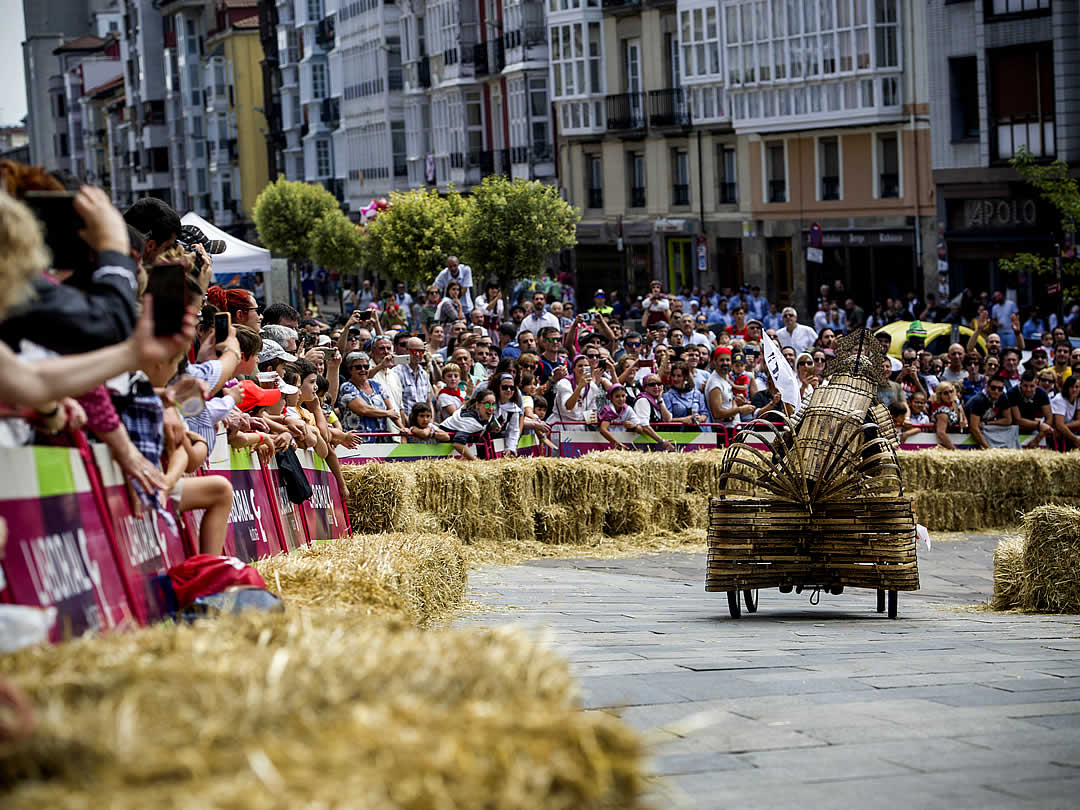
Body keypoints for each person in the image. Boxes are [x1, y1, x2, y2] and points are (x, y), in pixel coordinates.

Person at [337, 351, 402, 441]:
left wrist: (402, 428)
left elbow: (391, 410)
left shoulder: (376, 384)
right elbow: (363, 409)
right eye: (358, 367)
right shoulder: (346, 387)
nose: (363, 370)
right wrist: (387, 413)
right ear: (350, 370)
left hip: (381, 440)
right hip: (357, 440)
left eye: (366, 367)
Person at [598, 384, 673, 451]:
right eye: (617, 396)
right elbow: (603, 430)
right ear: (611, 398)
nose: (621, 399)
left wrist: (634, 426)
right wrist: (617, 444)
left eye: (623, 396)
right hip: (605, 444)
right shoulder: (608, 410)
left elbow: (640, 429)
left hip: (623, 444)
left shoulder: (628, 409)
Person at [438, 388, 498, 460]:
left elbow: (491, 421)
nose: (491, 408)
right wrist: (474, 461)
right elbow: (457, 444)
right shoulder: (470, 421)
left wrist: (493, 427)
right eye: (487, 404)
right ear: (477, 405)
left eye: (494, 405)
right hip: (441, 445)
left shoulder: (486, 414)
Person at [706, 346, 753, 430]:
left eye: (728, 360)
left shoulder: (726, 377)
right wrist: (740, 409)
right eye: (721, 360)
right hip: (724, 431)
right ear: (714, 362)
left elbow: (727, 405)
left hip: (733, 427)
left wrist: (737, 402)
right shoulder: (715, 383)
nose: (725, 363)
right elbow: (717, 413)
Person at [965, 376, 1017, 449]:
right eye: (993, 388)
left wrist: (987, 423)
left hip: (983, 427)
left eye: (1000, 389)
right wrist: (988, 448)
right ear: (987, 387)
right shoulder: (978, 400)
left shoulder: (1003, 397)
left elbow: (1008, 420)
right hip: (967, 430)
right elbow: (974, 427)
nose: (996, 391)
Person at [1008, 370, 1054, 449]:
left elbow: (1049, 419)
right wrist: (1039, 425)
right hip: (1014, 428)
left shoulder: (1042, 394)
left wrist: (1037, 439)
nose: (1028, 389)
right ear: (1020, 384)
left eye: (1032, 386)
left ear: (1036, 385)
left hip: (1033, 428)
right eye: (1025, 386)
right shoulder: (1012, 393)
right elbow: (1018, 420)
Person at [395, 337, 432, 426]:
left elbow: (428, 401)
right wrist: (410, 424)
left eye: (421, 351)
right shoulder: (396, 373)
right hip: (407, 425)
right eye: (414, 351)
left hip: (424, 424)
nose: (418, 354)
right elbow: (398, 404)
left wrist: (429, 422)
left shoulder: (424, 374)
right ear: (407, 351)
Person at [662, 361, 708, 430]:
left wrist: (701, 418)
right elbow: (666, 419)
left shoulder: (697, 393)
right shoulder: (667, 395)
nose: (675, 379)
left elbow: (705, 413)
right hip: (676, 434)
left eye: (679, 376)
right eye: (673, 376)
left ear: (685, 377)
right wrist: (683, 420)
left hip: (696, 433)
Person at [930, 382, 967, 450]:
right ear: (940, 395)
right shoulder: (942, 412)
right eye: (945, 393)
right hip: (943, 443)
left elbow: (963, 416)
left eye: (951, 391)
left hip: (957, 436)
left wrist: (964, 421)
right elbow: (941, 433)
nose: (949, 395)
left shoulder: (956, 401)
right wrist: (954, 449)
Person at [1051, 375, 1080, 450]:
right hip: (1052, 431)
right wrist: (1076, 440)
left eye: (1077, 387)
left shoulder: (1078, 399)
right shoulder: (1060, 399)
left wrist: (1065, 426)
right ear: (1067, 387)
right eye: (1071, 387)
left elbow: (1079, 421)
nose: (1074, 390)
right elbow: (1059, 425)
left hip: (1063, 430)